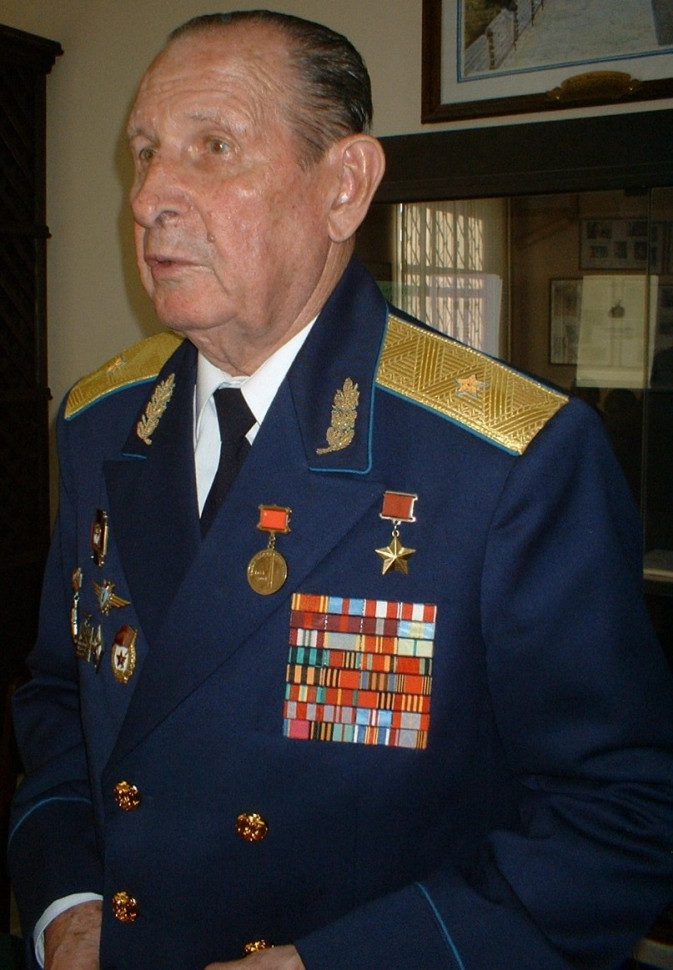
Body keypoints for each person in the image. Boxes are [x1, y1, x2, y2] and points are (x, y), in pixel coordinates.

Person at [8, 10, 673, 970]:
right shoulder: (99, 420)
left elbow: (619, 815)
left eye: (213, 147)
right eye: (145, 153)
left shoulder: (508, 458)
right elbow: (60, 700)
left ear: (344, 187)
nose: (148, 196)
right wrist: (65, 903)